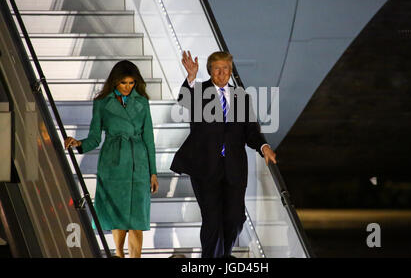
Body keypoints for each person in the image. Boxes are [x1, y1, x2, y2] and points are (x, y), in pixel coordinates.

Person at [170, 50, 277, 258]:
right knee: (212, 221)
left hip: (234, 168)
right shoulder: (200, 92)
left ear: (231, 70)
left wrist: (263, 147)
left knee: (236, 219)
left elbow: (251, 131)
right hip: (205, 167)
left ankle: (223, 256)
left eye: (226, 68)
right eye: (217, 69)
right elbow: (184, 100)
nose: (222, 73)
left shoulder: (241, 97)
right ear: (210, 71)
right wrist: (191, 77)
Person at [64, 60, 159, 258]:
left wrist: (153, 172)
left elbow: (149, 138)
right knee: (118, 213)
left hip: (138, 162)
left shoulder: (142, 102)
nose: (128, 87)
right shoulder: (101, 103)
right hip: (113, 162)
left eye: (131, 83)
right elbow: (95, 137)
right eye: (124, 83)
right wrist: (78, 143)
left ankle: (135, 256)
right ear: (115, 81)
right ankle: (118, 253)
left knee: (137, 218)